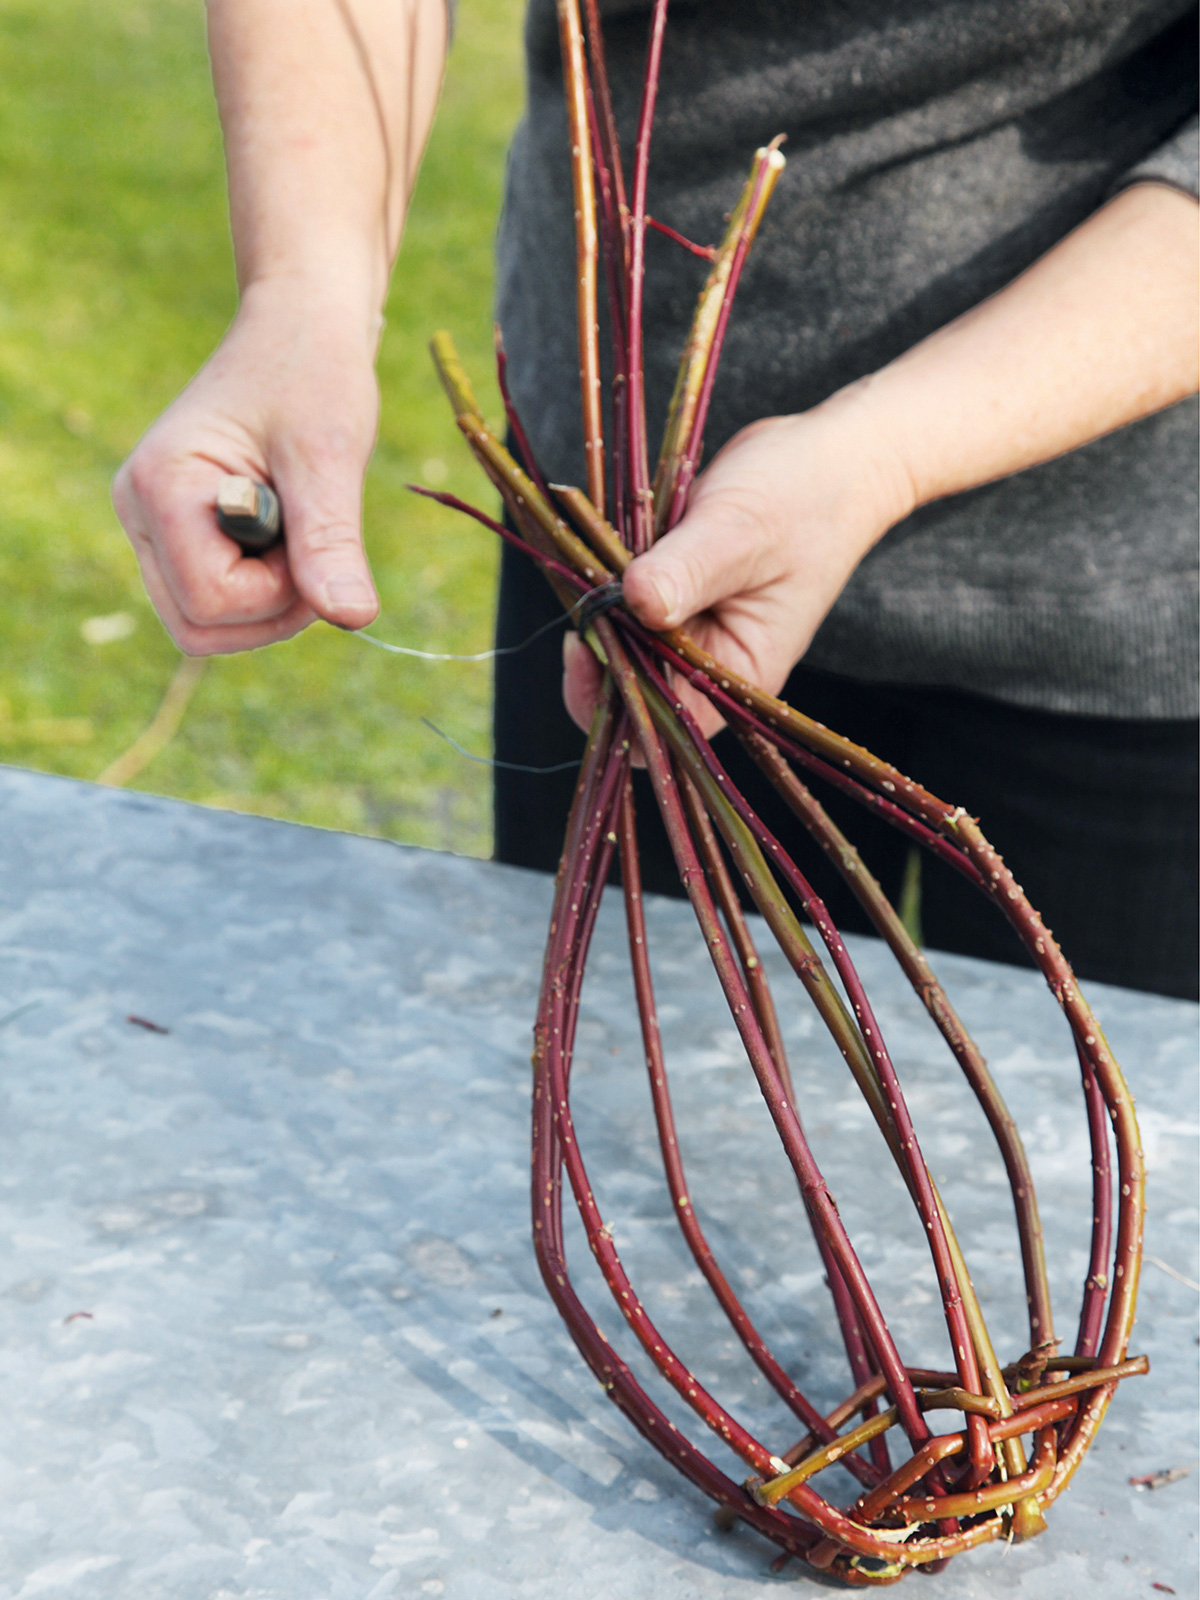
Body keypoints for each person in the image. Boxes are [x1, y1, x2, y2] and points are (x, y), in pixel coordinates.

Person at [113, 1, 1199, 997]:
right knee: (628, 1083)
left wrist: (886, 457)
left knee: (1104, 1133)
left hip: (1131, 588)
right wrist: (302, 292)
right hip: (619, 546)